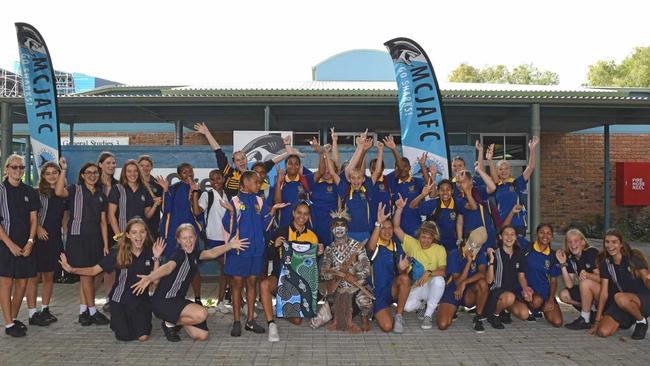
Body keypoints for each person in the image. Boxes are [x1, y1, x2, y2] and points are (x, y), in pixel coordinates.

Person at [132, 224, 248, 342]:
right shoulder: (179, 254)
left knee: (202, 335)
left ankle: (173, 322)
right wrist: (149, 278)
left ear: (195, 238)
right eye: (184, 238)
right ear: (178, 240)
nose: (188, 241)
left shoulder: (195, 255)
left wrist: (231, 245)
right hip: (164, 301)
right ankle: (169, 322)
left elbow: (212, 253)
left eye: (191, 237)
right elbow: (168, 267)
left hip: (178, 300)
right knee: (202, 314)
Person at [59, 218, 165, 341]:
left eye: (142, 232)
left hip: (140, 303)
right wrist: (72, 270)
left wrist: (157, 258)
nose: (139, 236)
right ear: (128, 235)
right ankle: (118, 321)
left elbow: (155, 281)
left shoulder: (150, 252)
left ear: (146, 234)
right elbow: (94, 270)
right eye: (134, 232)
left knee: (143, 337)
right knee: (124, 337)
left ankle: (138, 321)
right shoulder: (118, 253)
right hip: (120, 301)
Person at [222, 170, 286, 337]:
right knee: (237, 285)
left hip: (257, 252)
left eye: (260, 182)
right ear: (245, 184)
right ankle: (236, 321)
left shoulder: (259, 200)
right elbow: (229, 227)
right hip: (239, 251)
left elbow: (265, 225)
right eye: (256, 182)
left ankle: (250, 320)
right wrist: (230, 213)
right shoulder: (234, 201)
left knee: (252, 284)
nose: (259, 185)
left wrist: (272, 211)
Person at [55, 157, 110, 327]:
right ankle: (92, 311)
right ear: (83, 175)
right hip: (77, 239)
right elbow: (58, 192)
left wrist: (106, 244)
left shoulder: (101, 194)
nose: (92, 175)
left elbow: (103, 222)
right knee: (86, 275)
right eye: (89, 173)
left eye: (95, 172)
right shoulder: (74, 189)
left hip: (95, 239)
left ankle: (83, 311)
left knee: (90, 274)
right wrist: (63, 169)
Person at [262, 201, 323, 342]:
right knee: (264, 284)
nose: (302, 216)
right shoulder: (281, 232)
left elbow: (311, 265)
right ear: (293, 213)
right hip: (281, 277)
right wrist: (275, 245)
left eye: (305, 214)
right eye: (299, 212)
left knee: (297, 321)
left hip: (300, 282)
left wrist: (318, 253)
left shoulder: (313, 236)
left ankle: (280, 304)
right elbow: (268, 256)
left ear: (309, 216)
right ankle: (271, 324)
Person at [193, 122, 293, 199]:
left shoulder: (254, 173)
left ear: (246, 159)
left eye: (243, 158)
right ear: (234, 163)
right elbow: (218, 152)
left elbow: (271, 162)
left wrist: (288, 151)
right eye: (238, 160)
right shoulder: (228, 172)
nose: (241, 161)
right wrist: (207, 133)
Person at [393, 195, 447, 330]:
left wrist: (429, 273)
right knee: (407, 307)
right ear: (419, 235)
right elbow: (396, 228)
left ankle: (428, 315)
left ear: (434, 238)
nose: (426, 241)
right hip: (417, 285)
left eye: (429, 238)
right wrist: (399, 209)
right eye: (423, 237)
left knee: (439, 280)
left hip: (431, 286)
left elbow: (443, 271)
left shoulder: (439, 249)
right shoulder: (412, 243)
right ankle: (423, 306)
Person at [0, 155, 39, 337]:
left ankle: (13, 318)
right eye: (14, 167)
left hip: (25, 246)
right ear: (6, 169)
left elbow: (34, 219)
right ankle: (8, 324)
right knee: (6, 283)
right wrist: (10, 244)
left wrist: (30, 241)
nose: (18, 170)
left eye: (21, 167)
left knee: (23, 283)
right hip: (5, 245)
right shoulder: (0, 191)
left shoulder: (30, 191)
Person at [25, 162, 67, 327]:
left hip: (54, 239)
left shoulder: (63, 194)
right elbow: (29, 216)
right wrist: (38, 229)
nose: (51, 176)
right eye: (47, 173)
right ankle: (31, 313)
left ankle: (45, 308)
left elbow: (64, 216)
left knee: (49, 276)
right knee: (34, 277)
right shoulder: (36, 193)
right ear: (42, 176)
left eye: (54, 173)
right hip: (38, 239)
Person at [156, 162, 204, 305]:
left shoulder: (199, 191)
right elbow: (165, 210)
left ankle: (197, 298)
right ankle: (170, 297)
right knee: (172, 267)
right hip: (173, 236)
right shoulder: (173, 189)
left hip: (191, 237)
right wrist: (165, 190)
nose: (188, 173)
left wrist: (194, 193)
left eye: (190, 171)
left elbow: (198, 214)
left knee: (193, 268)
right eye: (184, 172)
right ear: (179, 175)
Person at [589, 229, 650, 340]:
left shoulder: (633, 257)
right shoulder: (606, 263)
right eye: (607, 242)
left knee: (619, 297)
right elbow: (603, 293)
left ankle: (641, 321)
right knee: (602, 332)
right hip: (623, 302)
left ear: (621, 244)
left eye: (614, 242)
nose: (610, 245)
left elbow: (646, 278)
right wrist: (597, 321)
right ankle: (626, 321)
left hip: (644, 299)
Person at [320, 209, 373, 333]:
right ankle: (341, 317)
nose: (339, 229)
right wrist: (336, 274)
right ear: (331, 230)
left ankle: (365, 318)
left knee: (364, 300)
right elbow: (324, 271)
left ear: (347, 229)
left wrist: (354, 275)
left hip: (355, 285)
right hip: (339, 287)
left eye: (342, 225)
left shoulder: (357, 246)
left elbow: (366, 268)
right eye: (335, 226)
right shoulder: (329, 249)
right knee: (333, 304)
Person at [368, 203, 411, 333]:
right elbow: (370, 247)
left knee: (405, 278)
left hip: (392, 290)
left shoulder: (397, 247)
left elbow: (401, 273)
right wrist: (378, 223)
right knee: (387, 327)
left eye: (389, 228)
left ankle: (398, 316)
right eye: (383, 228)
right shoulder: (375, 245)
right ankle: (374, 310)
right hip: (377, 293)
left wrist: (402, 268)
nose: (387, 231)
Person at [487, 137, 539, 236]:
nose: (504, 171)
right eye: (500, 169)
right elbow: (494, 179)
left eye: (506, 168)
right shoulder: (495, 186)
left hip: (517, 225)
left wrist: (532, 149)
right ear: (497, 172)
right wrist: (489, 160)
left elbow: (531, 167)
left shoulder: (517, 183)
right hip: (502, 225)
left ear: (510, 170)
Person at [437, 237, 489, 332]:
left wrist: (465, 283)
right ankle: (453, 309)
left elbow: (482, 273)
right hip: (454, 290)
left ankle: (478, 317)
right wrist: (468, 262)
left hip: (470, 291)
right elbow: (457, 282)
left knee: (483, 283)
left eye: (476, 246)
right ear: (465, 241)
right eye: (471, 244)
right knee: (443, 324)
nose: (473, 249)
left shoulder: (479, 252)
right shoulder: (454, 254)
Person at [197, 169, 230, 314]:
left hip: (227, 239)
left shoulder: (230, 195)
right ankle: (198, 299)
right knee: (195, 265)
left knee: (225, 270)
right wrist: (193, 193)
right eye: (212, 179)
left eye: (218, 178)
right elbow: (197, 211)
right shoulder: (207, 195)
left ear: (223, 179)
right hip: (212, 238)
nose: (215, 181)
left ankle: (221, 301)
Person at [484, 225, 531, 329]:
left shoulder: (519, 254)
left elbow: (521, 277)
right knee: (509, 297)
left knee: (524, 314)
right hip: (496, 292)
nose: (509, 237)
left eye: (512, 234)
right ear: (500, 237)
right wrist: (491, 261)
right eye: (506, 234)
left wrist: (526, 289)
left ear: (515, 237)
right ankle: (494, 315)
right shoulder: (494, 253)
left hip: (512, 293)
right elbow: (489, 280)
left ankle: (504, 310)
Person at [518, 223, 563, 327]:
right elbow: (507, 231)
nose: (545, 236)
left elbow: (553, 280)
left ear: (552, 237)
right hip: (528, 290)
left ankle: (542, 309)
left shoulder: (552, 255)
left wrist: (551, 299)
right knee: (537, 301)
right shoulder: (527, 247)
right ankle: (531, 308)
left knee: (557, 322)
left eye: (548, 233)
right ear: (537, 234)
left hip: (544, 291)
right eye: (542, 232)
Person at [556, 228, 600, 330]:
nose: (573, 244)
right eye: (570, 242)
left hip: (603, 292)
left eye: (576, 241)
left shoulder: (591, 252)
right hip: (589, 293)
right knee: (564, 294)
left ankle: (584, 318)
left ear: (583, 242)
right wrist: (562, 264)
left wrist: (588, 275)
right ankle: (590, 312)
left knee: (584, 281)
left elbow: (602, 279)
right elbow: (569, 285)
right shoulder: (570, 258)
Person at [409, 179, 465, 253]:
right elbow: (412, 206)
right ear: (438, 192)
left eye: (448, 189)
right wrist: (422, 195)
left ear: (452, 191)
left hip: (452, 243)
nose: (445, 192)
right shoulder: (434, 204)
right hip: (435, 243)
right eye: (442, 190)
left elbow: (461, 220)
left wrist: (460, 240)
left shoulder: (458, 202)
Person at [108, 160, 156, 239]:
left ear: (138, 172)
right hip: (124, 233)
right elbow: (111, 214)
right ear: (124, 173)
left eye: (135, 171)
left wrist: (155, 205)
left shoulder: (144, 189)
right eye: (129, 171)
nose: (132, 174)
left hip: (140, 235)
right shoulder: (117, 188)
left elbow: (147, 215)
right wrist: (119, 236)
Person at [305, 140, 340, 247]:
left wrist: (334, 142)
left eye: (329, 168)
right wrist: (322, 152)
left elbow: (337, 163)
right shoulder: (313, 181)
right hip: (313, 227)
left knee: (329, 261)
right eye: (324, 167)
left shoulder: (338, 184)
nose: (326, 171)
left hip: (330, 230)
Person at [274, 154, 312, 228]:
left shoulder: (305, 181)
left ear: (299, 166)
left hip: (303, 224)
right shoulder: (280, 184)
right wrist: (278, 182)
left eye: (296, 164)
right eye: (290, 163)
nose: (293, 166)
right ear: (285, 165)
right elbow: (277, 203)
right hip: (284, 225)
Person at [137, 155, 163, 240]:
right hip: (137, 223)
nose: (145, 168)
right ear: (138, 166)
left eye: (147, 165)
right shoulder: (133, 183)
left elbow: (163, 205)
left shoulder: (157, 184)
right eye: (142, 165)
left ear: (151, 167)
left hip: (153, 224)